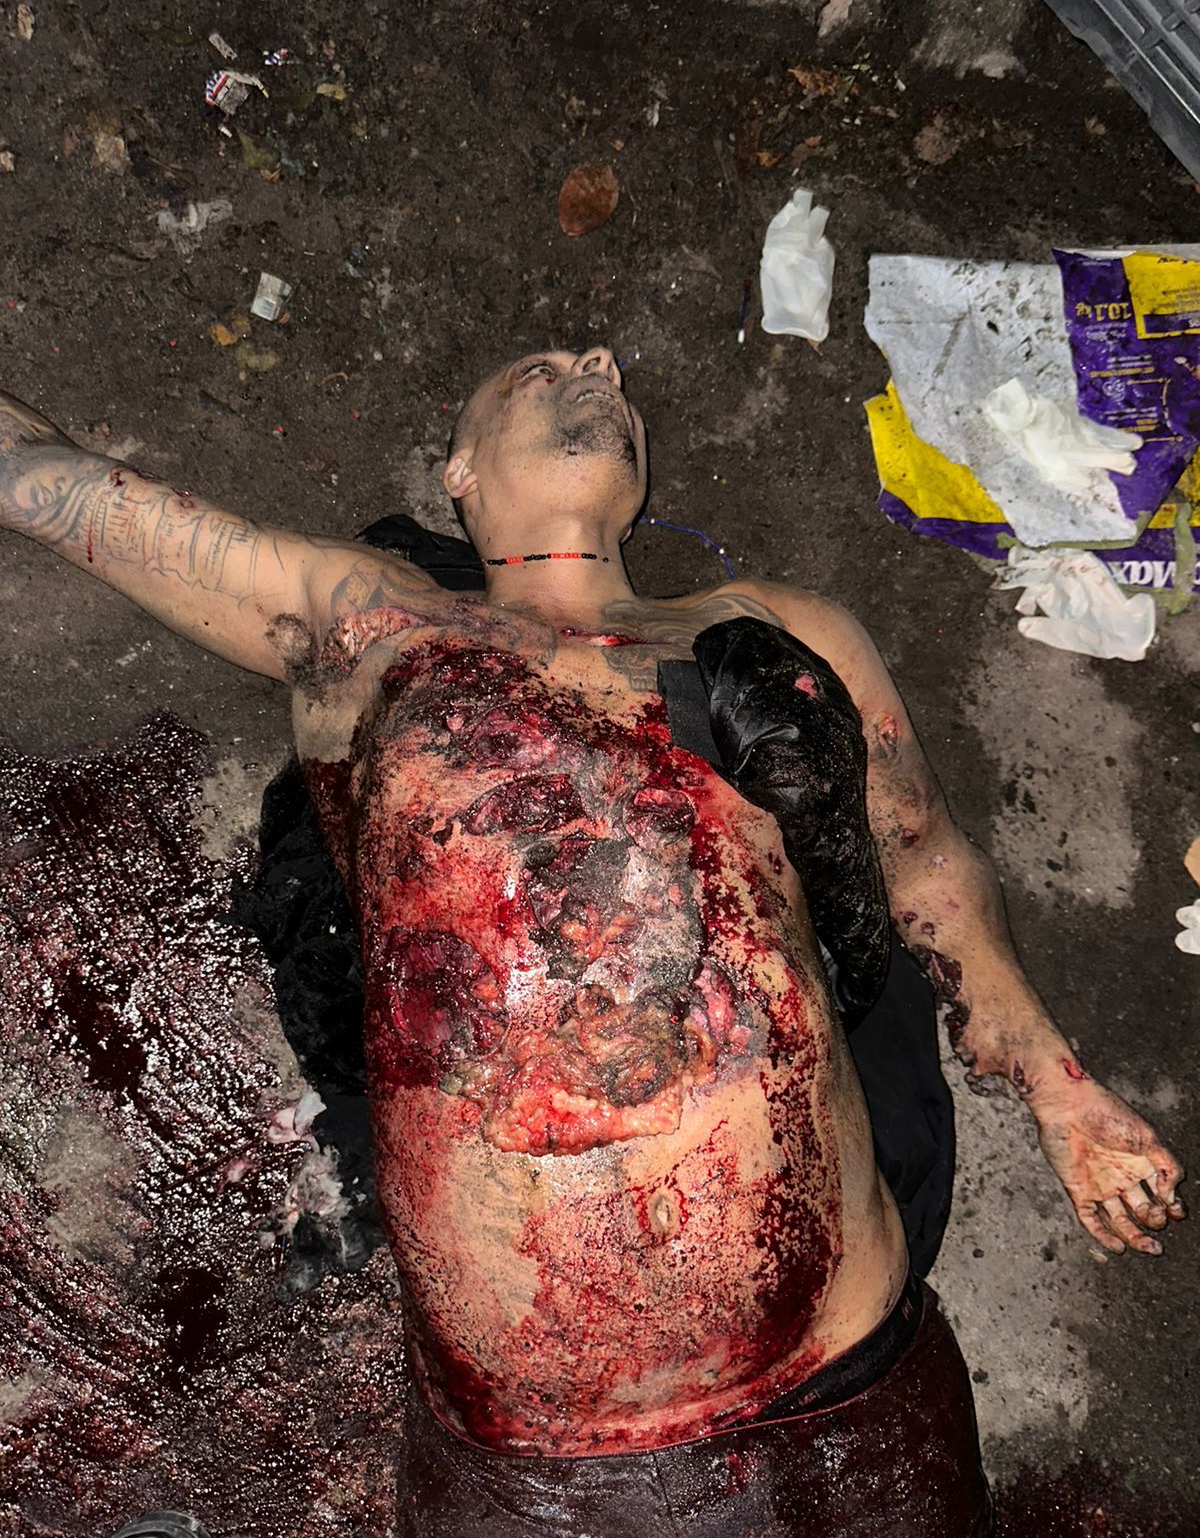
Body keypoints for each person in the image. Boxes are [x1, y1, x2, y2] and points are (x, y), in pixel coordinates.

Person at [0, 353, 1185, 1538]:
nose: (596, 364)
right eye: (544, 365)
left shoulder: (776, 627)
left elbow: (920, 855)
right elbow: (52, 481)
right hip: (533, 1471)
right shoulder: (359, 614)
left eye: (602, 364)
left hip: (843, 1400)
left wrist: (1059, 1088)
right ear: (461, 471)